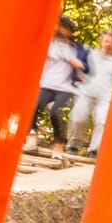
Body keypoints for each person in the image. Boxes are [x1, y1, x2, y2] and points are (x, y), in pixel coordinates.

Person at [26, 16, 86, 163]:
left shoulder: (76, 48)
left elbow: (85, 66)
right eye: (60, 27)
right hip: (47, 83)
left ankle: (59, 145)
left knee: (55, 113)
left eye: (65, 28)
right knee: (33, 108)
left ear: (70, 31)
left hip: (64, 87)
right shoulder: (49, 43)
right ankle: (32, 138)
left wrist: (78, 66)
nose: (61, 30)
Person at [68, 30, 112, 158]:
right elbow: (77, 69)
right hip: (85, 92)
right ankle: (74, 145)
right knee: (78, 118)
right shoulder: (89, 54)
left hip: (104, 96)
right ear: (101, 41)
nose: (108, 44)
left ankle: (94, 150)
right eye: (106, 41)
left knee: (101, 122)